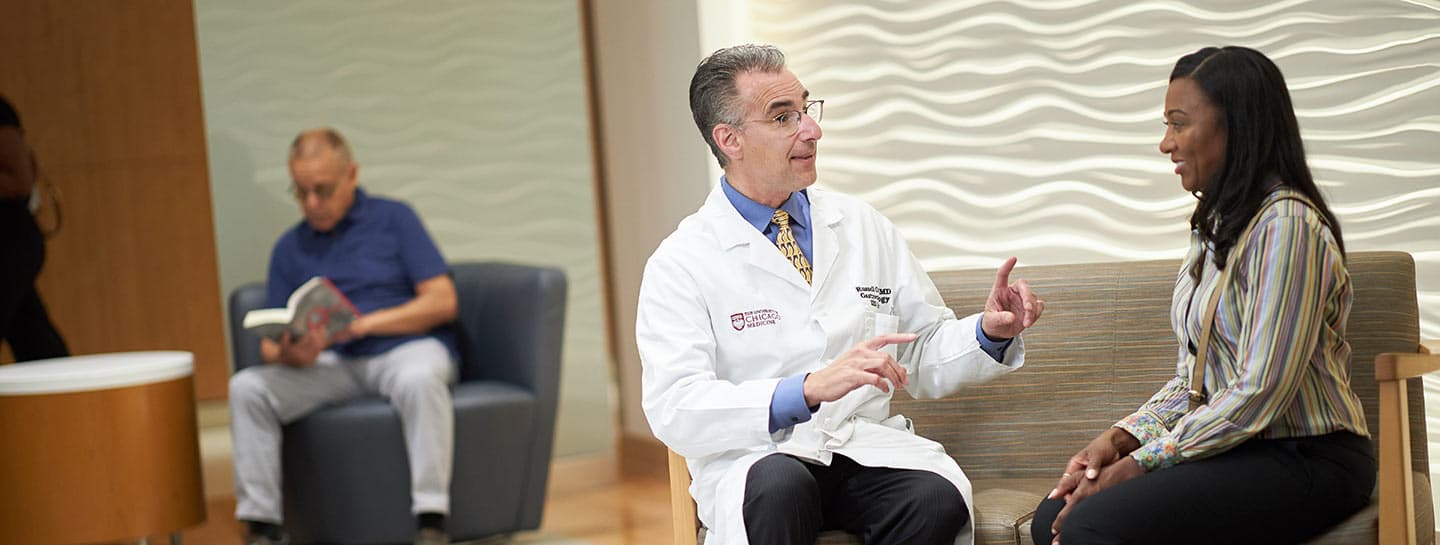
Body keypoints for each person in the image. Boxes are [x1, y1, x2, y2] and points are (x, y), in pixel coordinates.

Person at [638, 44, 1045, 545]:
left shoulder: (861, 225)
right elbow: (676, 405)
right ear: (730, 139)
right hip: (759, 456)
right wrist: (805, 390)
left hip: (863, 446)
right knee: (779, 487)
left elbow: (919, 351)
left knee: (934, 498)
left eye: (806, 108)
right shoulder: (681, 262)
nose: (812, 130)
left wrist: (987, 334)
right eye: (783, 117)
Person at [1031, 46, 1374, 545]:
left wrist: (1142, 463)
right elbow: (1195, 380)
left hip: (1308, 457)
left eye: (1179, 123)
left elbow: (1260, 390)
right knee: (1051, 517)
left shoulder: (1288, 227)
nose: (1165, 143)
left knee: (1090, 523)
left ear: (1237, 126)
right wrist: (1121, 438)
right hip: (1235, 450)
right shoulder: (1216, 226)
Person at [229, 128, 459, 545]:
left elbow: (443, 301)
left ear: (351, 174)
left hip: (401, 351)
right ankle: (262, 528)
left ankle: (431, 520)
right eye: (300, 192)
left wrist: (367, 324)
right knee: (246, 388)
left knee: (421, 379)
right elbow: (268, 346)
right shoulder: (289, 247)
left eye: (323, 190)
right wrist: (295, 354)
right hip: (330, 363)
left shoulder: (395, 220)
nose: (312, 204)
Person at [0, 95, 69, 362]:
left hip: (11, 240)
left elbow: (21, 180)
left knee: (32, 333)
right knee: (33, 333)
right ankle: (62, 383)